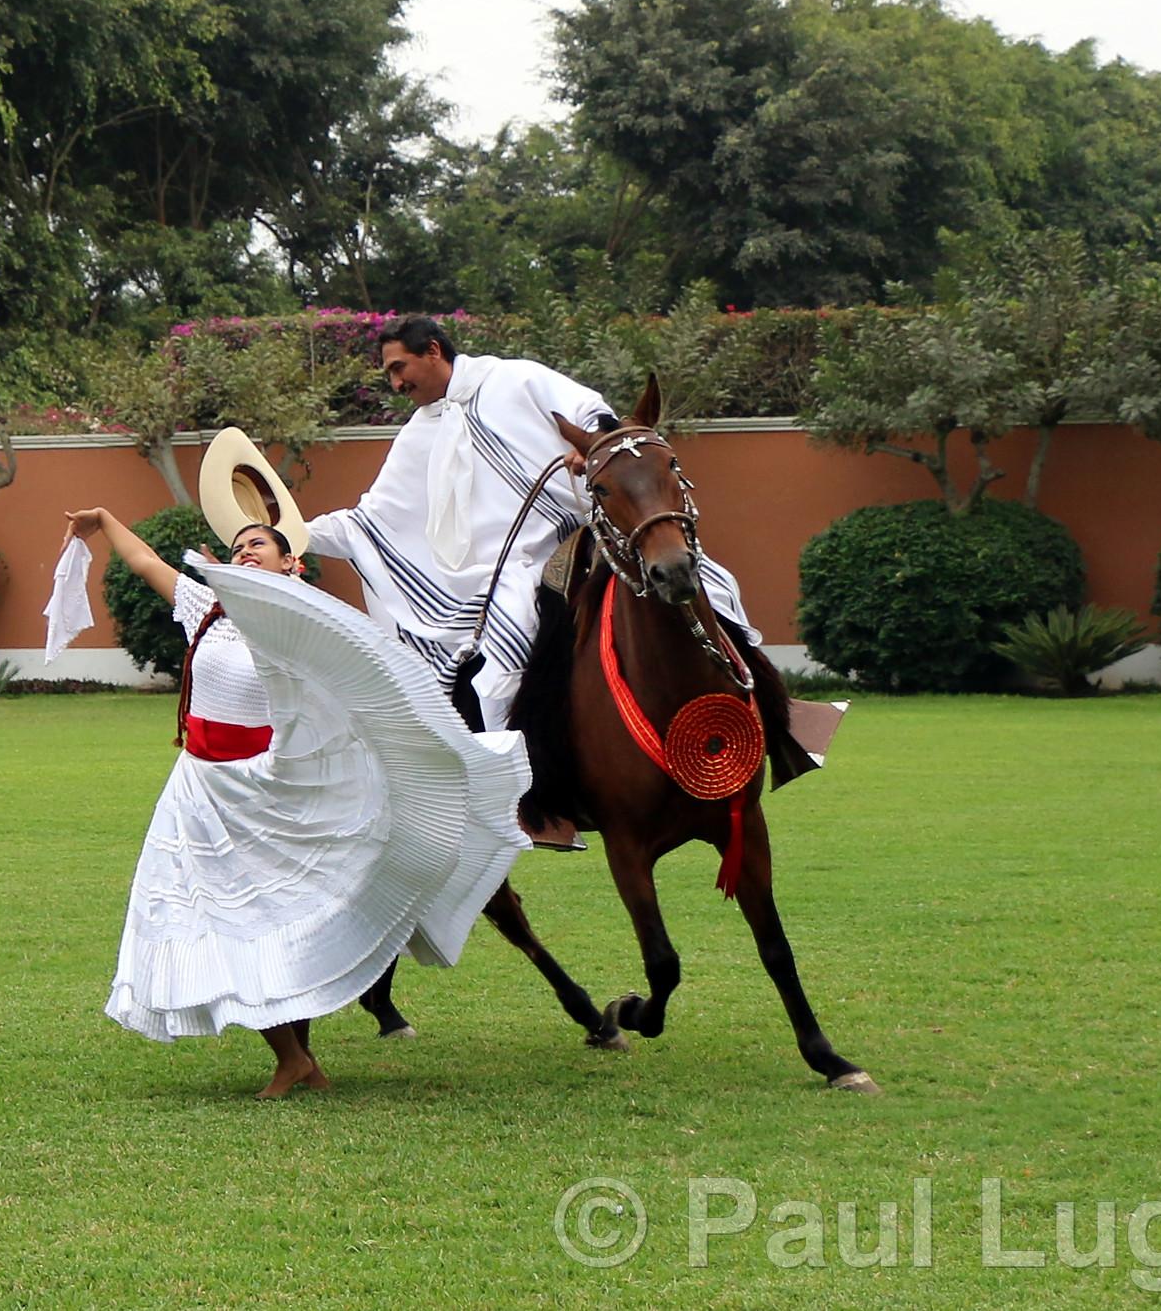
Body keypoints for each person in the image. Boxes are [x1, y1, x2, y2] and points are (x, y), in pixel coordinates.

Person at [61, 496, 530, 1099]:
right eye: (236, 548)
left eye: (258, 545)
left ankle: (297, 1057)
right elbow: (146, 560)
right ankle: (295, 1057)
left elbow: (363, 690)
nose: (244, 553)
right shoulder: (208, 609)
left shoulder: (308, 624)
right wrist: (104, 521)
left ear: (292, 565)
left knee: (276, 917)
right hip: (201, 790)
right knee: (206, 914)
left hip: (272, 789)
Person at [305, 315, 763, 735]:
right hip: (513, 570)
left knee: (716, 586)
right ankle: (523, 781)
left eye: (398, 367)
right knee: (509, 641)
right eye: (389, 374)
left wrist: (590, 448)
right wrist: (291, 533)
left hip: (588, 532)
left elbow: (590, 413)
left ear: (433, 351)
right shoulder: (418, 434)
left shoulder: (515, 377)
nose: (396, 382)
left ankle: (774, 718)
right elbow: (368, 520)